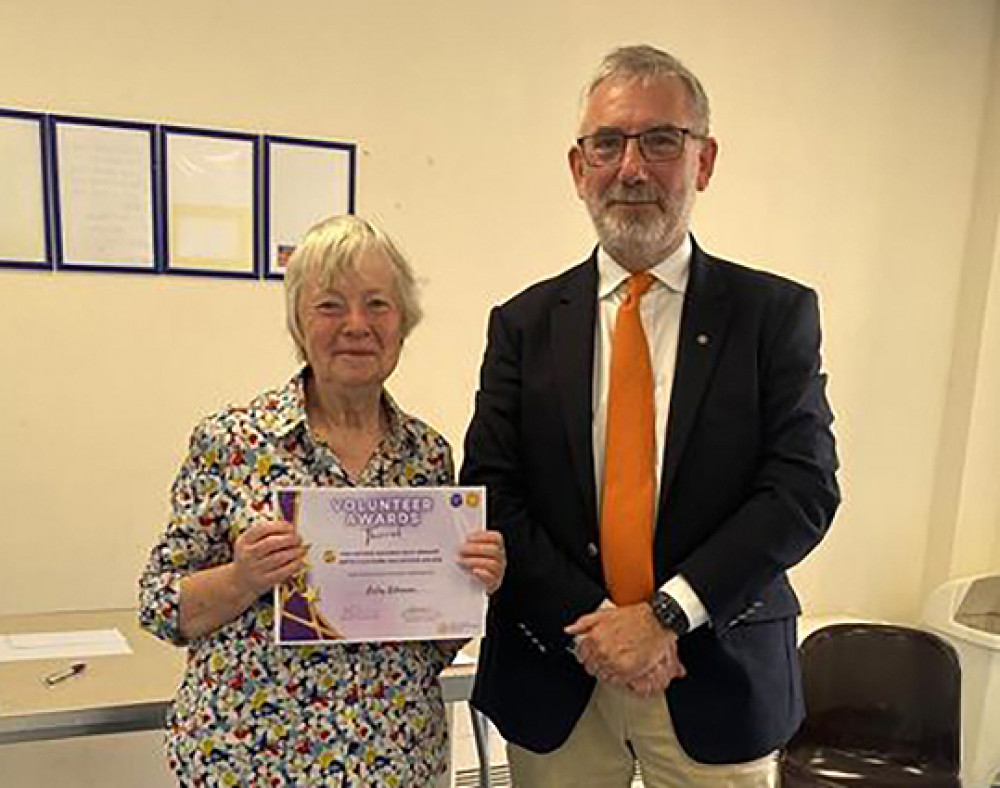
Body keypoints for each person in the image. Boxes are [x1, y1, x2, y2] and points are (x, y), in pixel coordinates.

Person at [460, 44, 840, 787]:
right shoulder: (523, 323)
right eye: (608, 142)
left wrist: (665, 616)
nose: (631, 167)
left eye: (661, 139)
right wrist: (602, 629)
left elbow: (802, 489)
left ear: (704, 161)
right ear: (579, 168)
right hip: (558, 671)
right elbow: (492, 491)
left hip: (715, 674)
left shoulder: (774, 315)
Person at [138, 214, 505, 787]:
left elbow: (433, 642)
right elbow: (159, 604)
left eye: (378, 305)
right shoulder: (233, 441)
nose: (356, 325)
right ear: (299, 324)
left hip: (394, 758)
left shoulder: (427, 455)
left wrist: (469, 586)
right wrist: (242, 577)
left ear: (404, 323)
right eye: (330, 305)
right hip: (252, 760)